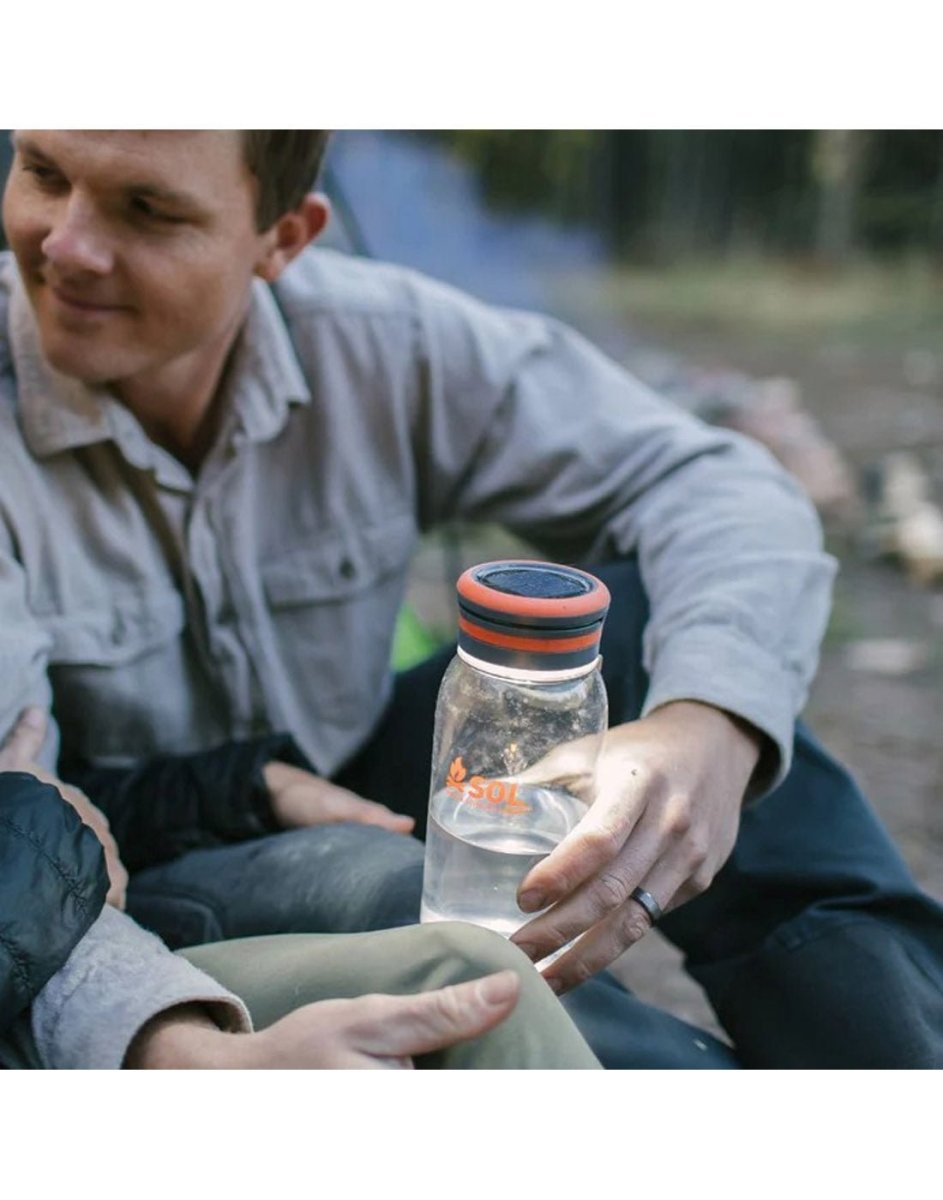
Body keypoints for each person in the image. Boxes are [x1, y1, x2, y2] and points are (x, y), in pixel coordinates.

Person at [1, 129, 941, 1067]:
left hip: (347, 776)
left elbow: (712, 481)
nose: (65, 244)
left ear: (284, 238)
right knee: (397, 900)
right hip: (113, 886)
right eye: (43, 172)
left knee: (669, 644)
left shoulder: (383, 344)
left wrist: (708, 723)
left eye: (148, 211)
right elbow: (17, 846)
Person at [0, 710, 602, 1069]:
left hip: (75, 914)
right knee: (459, 956)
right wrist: (172, 1048)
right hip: (75, 958)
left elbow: (34, 796)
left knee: (454, 946)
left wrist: (240, 786)